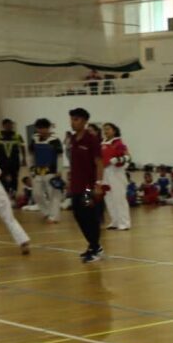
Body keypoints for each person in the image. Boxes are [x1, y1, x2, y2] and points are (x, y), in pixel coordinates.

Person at [66, 108, 105, 263]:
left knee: (89, 216)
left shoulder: (92, 139)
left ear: (84, 121)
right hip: (76, 186)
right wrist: (69, 182)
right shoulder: (73, 139)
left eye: (76, 119)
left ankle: (96, 248)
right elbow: (73, 164)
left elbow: (99, 163)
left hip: (88, 187)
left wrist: (98, 184)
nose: (73, 122)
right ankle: (93, 245)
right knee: (78, 215)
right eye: (71, 119)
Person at [29, 118, 64, 224]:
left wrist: (59, 170)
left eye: (43, 128)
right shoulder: (34, 139)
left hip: (51, 171)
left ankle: (54, 217)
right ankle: (46, 212)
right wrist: (31, 168)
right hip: (38, 171)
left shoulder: (55, 140)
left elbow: (60, 156)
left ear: (48, 128)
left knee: (53, 195)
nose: (41, 130)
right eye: (39, 128)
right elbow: (31, 155)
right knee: (36, 194)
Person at [100, 122, 132, 231]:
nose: (106, 131)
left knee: (119, 198)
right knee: (108, 198)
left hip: (116, 172)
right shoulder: (102, 143)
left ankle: (124, 222)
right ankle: (115, 221)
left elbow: (128, 157)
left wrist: (117, 160)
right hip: (105, 172)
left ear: (114, 130)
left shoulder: (118, 143)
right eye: (104, 129)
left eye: (108, 129)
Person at [0, 119, 26, 196]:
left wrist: (24, 158)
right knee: (2, 176)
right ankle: (5, 192)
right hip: (2, 160)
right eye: (7, 125)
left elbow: (22, 147)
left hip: (14, 160)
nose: (9, 126)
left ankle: (13, 193)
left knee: (14, 177)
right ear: (3, 126)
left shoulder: (17, 135)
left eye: (10, 125)